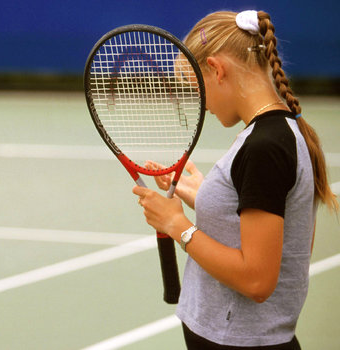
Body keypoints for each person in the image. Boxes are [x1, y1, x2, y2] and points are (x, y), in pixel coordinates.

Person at [132, 10, 338, 349]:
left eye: (197, 87)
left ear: (216, 69)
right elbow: (274, 228)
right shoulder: (275, 131)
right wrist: (205, 196)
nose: (202, 104)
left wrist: (178, 226)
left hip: (241, 340)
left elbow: (257, 280)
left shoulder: (265, 147)